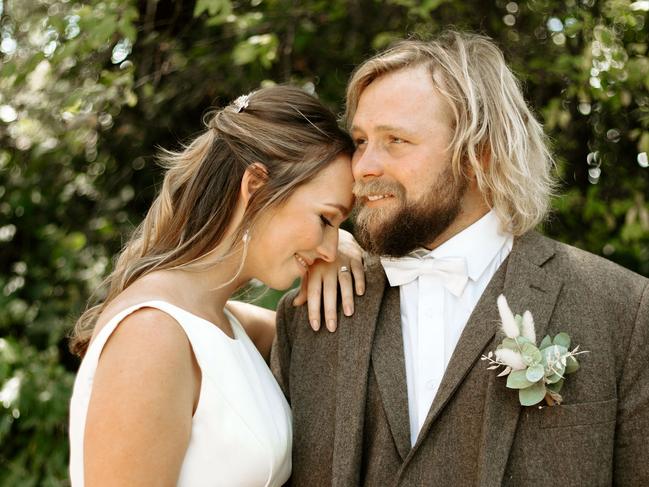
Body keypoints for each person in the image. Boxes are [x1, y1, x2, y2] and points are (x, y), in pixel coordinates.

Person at [272, 31, 649, 486]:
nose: (363, 167)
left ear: (479, 154)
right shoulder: (309, 313)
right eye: (360, 140)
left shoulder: (624, 310)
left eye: (395, 140)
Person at [67, 85, 365, 486]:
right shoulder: (152, 334)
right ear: (255, 186)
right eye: (326, 219)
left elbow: (309, 334)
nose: (328, 247)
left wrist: (344, 247)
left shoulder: (217, 318)